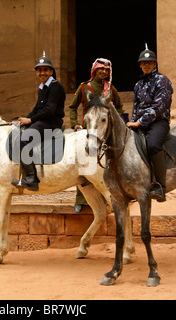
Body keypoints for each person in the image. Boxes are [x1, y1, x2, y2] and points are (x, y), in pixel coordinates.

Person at [69, 58, 124, 212]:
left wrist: (114, 122)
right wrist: (75, 124)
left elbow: (119, 107)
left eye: (106, 70)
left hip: (105, 132)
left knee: (105, 165)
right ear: (94, 70)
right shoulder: (84, 87)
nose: (104, 72)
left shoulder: (111, 89)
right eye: (101, 69)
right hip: (88, 130)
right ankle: (81, 200)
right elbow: (72, 107)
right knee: (85, 163)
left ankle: (107, 197)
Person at [11, 53, 66, 191]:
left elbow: (49, 110)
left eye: (45, 70)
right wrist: (23, 120)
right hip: (42, 121)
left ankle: (31, 178)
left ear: (51, 71)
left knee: (23, 140)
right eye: (39, 70)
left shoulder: (55, 87)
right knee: (17, 131)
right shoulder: (42, 88)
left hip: (51, 123)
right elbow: (37, 109)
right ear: (36, 72)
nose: (42, 73)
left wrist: (30, 120)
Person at [126, 44, 173, 202]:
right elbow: (135, 106)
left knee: (152, 145)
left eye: (150, 62)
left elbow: (159, 107)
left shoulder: (162, 80)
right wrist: (133, 121)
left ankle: (160, 186)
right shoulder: (138, 84)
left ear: (155, 64)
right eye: (143, 63)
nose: (146, 65)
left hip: (158, 122)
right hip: (139, 122)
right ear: (140, 65)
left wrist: (139, 122)